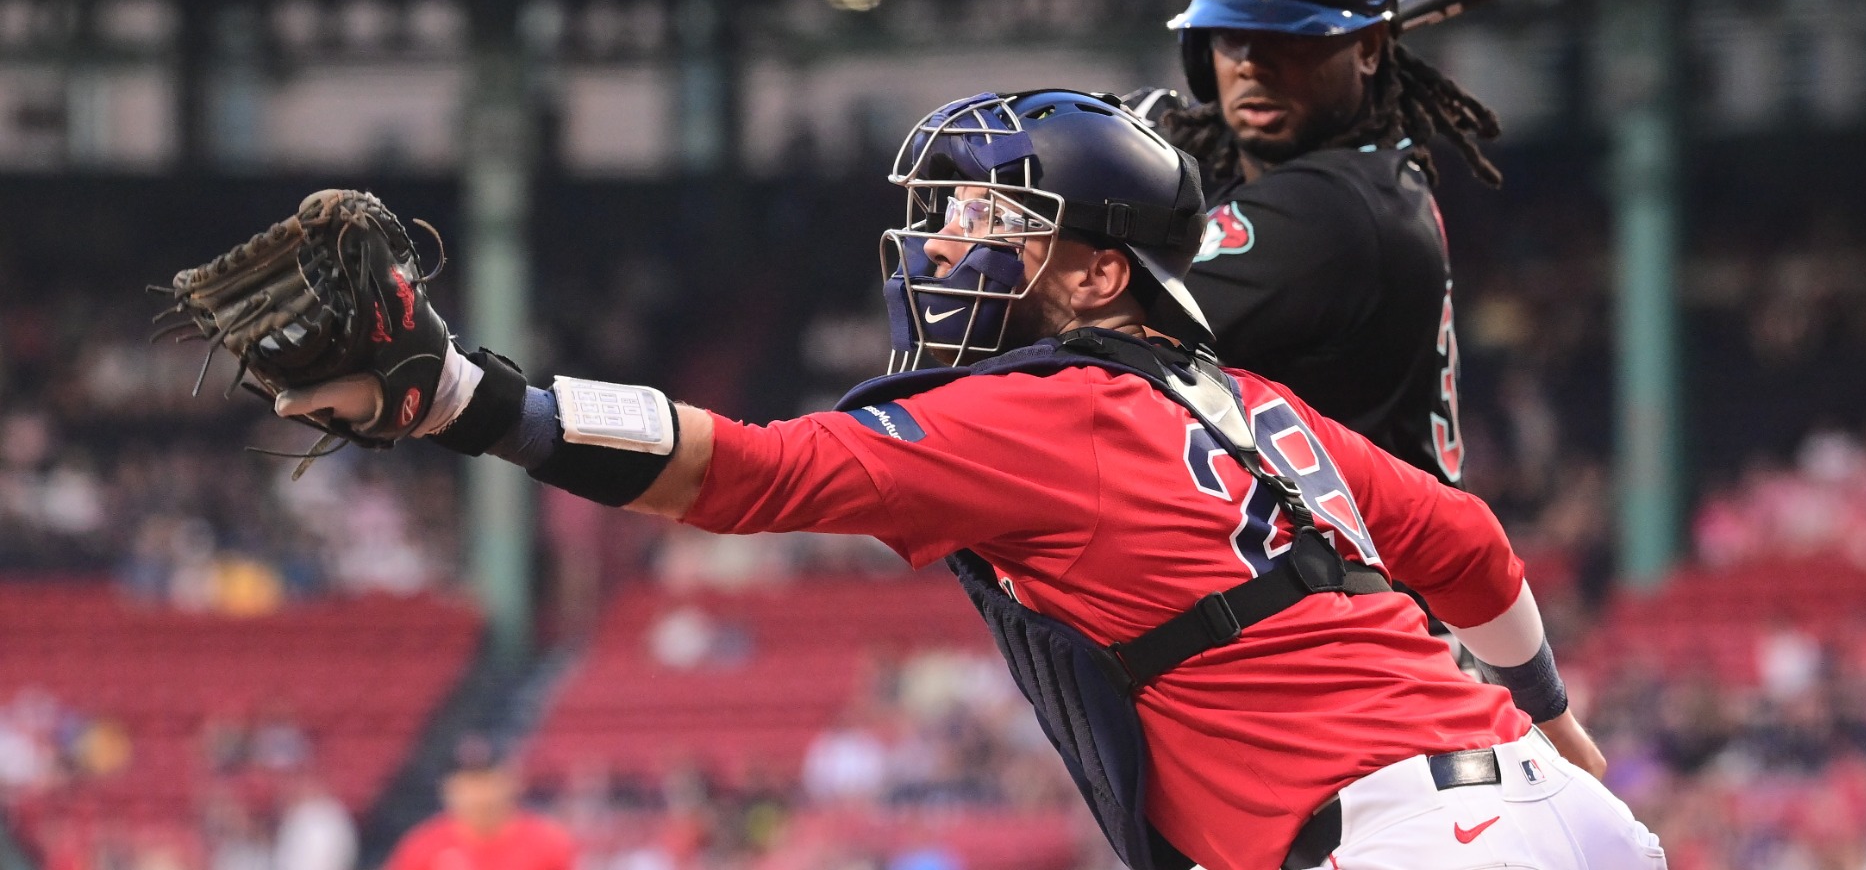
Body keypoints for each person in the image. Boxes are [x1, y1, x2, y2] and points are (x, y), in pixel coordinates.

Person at [271, 91, 1656, 870]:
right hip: (1553, 815)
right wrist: (1552, 721)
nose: (939, 251)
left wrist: (463, 398)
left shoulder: (1033, 415)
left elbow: (744, 474)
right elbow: (1467, 546)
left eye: (987, 224)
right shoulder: (1248, 400)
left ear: (1101, 272)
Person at [1129, 0, 1503, 487]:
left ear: (1370, 48)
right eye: (1231, 36)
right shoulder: (1351, 188)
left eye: (1290, 38)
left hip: (1361, 572)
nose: (1253, 64)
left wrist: (1099, 169)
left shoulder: (1334, 210)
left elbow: (1095, 313)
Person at [385, 735, 574, 870]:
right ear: (449, 788)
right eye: (468, 783)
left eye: (486, 780)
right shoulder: (422, 846)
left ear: (511, 781)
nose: (479, 794)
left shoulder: (546, 842)